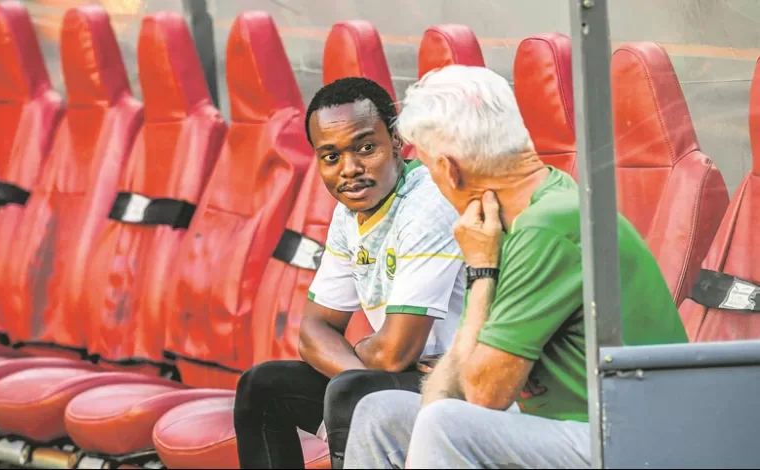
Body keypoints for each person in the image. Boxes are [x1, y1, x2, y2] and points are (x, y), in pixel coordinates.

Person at [343, 65, 689, 469]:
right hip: (568, 428)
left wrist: (481, 274)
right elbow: (451, 393)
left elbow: (483, 395)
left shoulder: (548, 226)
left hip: (632, 440)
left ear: (450, 170)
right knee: (380, 415)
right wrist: (480, 269)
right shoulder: (510, 218)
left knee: (444, 426)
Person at [233, 77, 467, 469]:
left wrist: (361, 376)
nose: (350, 169)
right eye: (331, 157)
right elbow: (312, 333)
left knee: (349, 393)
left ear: (396, 140)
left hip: (462, 386)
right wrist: (362, 376)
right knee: (262, 386)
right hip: (402, 378)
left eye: (365, 148)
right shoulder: (349, 214)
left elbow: (397, 351)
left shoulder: (428, 206)